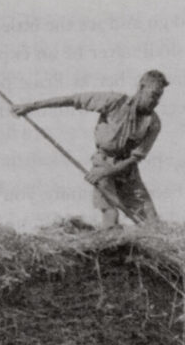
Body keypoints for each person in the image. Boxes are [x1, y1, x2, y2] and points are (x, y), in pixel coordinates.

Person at [11, 70, 168, 227]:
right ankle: (112, 244)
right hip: (103, 163)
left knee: (152, 221)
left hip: (127, 170)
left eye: (159, 96)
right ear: (141, 87)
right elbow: (73, 100)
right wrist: (31, 107)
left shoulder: (154, 123)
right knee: (111, 215)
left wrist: (108, 172)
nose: (156, 101)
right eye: (153, 94)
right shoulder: (114, 101)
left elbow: (135, 158)